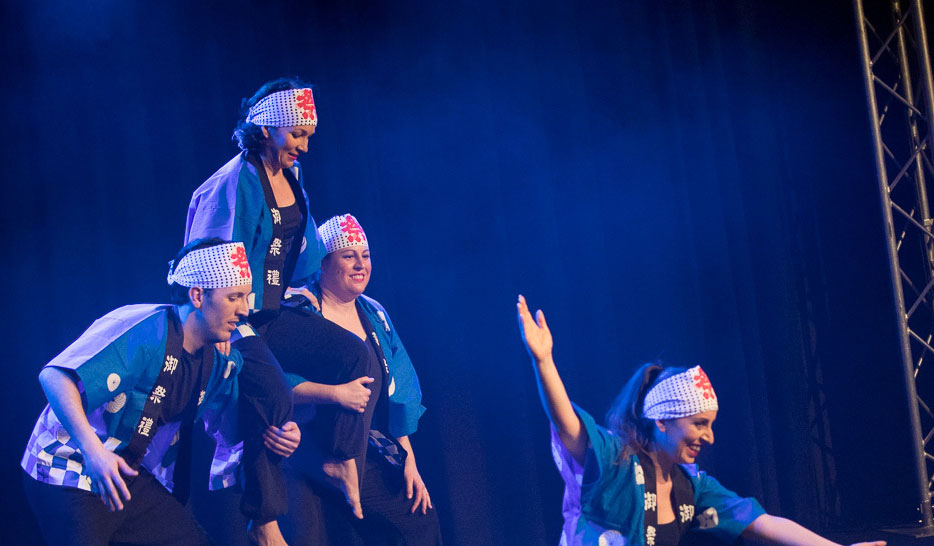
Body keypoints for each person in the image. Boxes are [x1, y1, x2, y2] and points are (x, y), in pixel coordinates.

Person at [515, 295, 885, 546]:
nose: (708, 437)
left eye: (710, 425)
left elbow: (763, 523)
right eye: (699, 424)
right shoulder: (615, 459)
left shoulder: (690, 487)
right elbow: (569, 425)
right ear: (661, 422)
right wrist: (544, 362)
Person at [20, 239, 300, 546]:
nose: (244, 310)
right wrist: (93, 451)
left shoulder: (220, 359)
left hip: (129, 474)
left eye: (246, 297)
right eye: (234, 297)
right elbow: (55, 376)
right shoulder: (144, 327)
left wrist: (278, 435)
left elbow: (230, 431)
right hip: (71, 466)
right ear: (197, 295)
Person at [185, 77, 326, 545]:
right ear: (266, 129)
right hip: (231, 315)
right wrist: (222, 327)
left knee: (354, 355)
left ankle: (343, 458)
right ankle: (265, 522)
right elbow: (206, 263)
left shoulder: (293, 177)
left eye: (309, 134)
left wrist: (303, 292)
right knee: (270, 392)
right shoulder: (229, 185)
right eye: (297, 134)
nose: (304, 146)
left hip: (272, 308)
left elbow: (294, 251)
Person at [265, 213, 441, 545]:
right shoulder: (299, 311)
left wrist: (408, 458)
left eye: (366, 255)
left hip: (364, 449)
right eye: (349, 256)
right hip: (305, 449)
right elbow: (273, 379)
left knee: (419, 521)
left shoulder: (374, 314)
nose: (360, 264)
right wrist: (334, 394)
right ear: (324, 263)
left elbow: (400, 386)